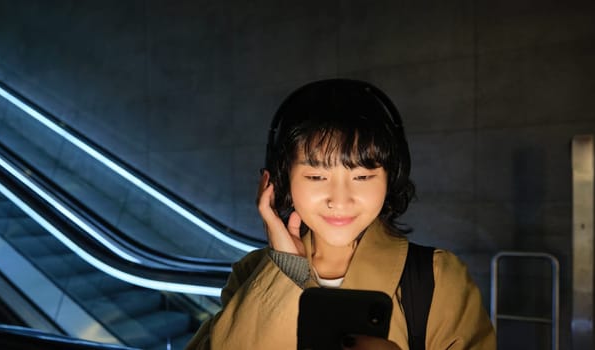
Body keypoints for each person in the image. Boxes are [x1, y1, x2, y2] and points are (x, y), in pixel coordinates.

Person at [186, 79, 495, 349]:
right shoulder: (251, 272)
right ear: (282, 181)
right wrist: (286, 271)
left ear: (391, 178)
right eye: (316, 177)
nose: (340, 200)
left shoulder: (436, 278)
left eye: (362, 177)